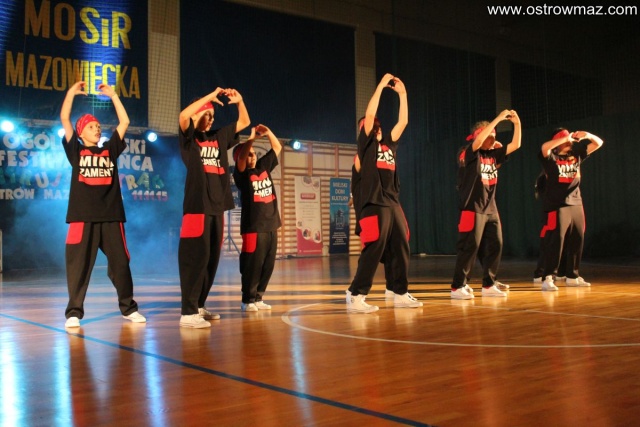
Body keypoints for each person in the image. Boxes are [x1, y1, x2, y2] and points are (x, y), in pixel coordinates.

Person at [60, 81, 146, 328]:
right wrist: (71, 93)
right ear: (81, 132)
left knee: (121, 263)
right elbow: (65, 118)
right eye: (91, 126)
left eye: (98, 126)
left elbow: (125, 122)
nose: (97, 129)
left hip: (111, 217)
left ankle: (128, 308)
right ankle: (74, 312)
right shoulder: (76, 150)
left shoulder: (110, 149)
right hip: (82, 217)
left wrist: (114, 96)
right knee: (78, 266)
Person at [346, 73, 422, 313]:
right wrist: (380, 85)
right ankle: (356, 294)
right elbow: (369, 116)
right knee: (374, 248)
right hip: (374, 203)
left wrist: (403, 94)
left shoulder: (388, 145)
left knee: (401, 245)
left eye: (378, 126)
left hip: (391, 202)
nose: (376, 127)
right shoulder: (365, 148)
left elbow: (403, 122)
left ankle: (399, 292)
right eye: (372, 126)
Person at [178, 87, 250, 328]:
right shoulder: (189, 138)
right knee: (194, 259)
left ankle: (198, 305)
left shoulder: (218, 136)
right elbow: (184, 116)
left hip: (217, 206)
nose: (210, 120)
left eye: (212, 116)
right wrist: (208, 98)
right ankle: (188, 313)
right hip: (196, 206)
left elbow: (244, 122)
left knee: (211, 259)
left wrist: (239, 101)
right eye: (206, 115)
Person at [450, 110, 521, 300]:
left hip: (490, 208)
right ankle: (458, 286)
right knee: (469, 247)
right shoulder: (469, 152)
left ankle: (489, 284)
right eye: (489, 135)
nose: (493, 138)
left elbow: (516, 144)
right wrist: (498, 118)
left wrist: (516, 123)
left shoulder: (493, 154)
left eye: (494, 135)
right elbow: (478, 142)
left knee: (496, 244)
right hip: (472, 207)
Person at [538, 128, 603, 291]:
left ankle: (572, 276)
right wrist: (566, 138)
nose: (569, 142)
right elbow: (545, 147)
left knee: (577, 239)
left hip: (576, 202)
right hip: (557, 204)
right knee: (557, 241)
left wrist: (587, 135)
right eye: (564, 139)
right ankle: (548, 277)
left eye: (569, 139)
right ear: (558, 142)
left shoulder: (576, 155)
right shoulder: (551, 157)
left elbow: (598, 143)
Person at [232, 124, 282, 312]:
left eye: (254, 154)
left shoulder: (263, 166)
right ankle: (248, 299)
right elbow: (242, 157)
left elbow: (277, 147)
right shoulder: (241, 175)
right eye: (249, 154)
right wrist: (251, 138)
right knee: (252, 265)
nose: (252, 156)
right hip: (253, 228)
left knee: (268, 265)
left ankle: (258, 297)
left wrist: (268, 132)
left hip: (271, 226)